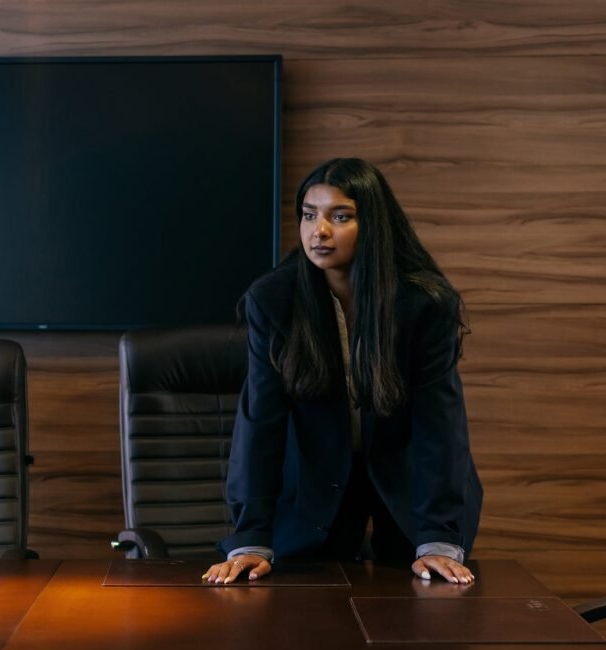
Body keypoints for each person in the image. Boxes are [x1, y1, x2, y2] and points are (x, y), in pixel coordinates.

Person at [203, 158, 482, 585]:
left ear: (373, 224)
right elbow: (260, 422)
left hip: (412, 491)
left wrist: (438, 537)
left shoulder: (422, 303)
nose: (320, 231)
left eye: (340, 216)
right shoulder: (274, 300)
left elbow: (439, 425)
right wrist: (251, 537)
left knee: (420, 617)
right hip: (313, 485)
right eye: (309, 215)